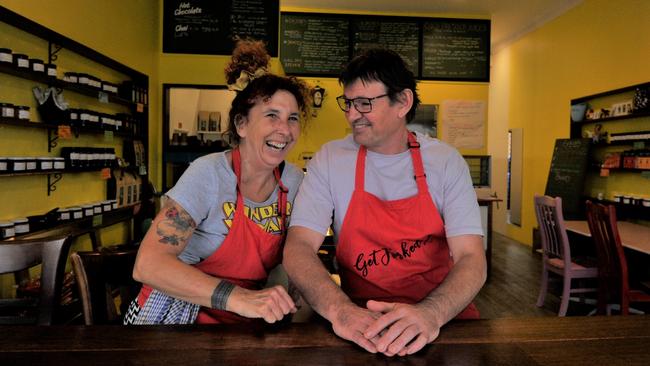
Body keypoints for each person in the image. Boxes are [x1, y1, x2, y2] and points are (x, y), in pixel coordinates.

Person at [283, 49, 486, 356]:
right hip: (361, 324)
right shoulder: (330, 159)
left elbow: (472, 257)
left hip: (441, 322)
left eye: (365, 103)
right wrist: (340, 311)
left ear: (402, 102)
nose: (352, 114)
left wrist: (431, 313)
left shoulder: (445, 162)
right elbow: (298, 248)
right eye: (348, 103)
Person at [125, 73, 310, 324]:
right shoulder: (208, 173)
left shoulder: (294, 181)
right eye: (272, 115)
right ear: (241, 125)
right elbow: (147, 265)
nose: (285, 129)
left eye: (293, 119)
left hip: (245, 319)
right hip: (174, 312)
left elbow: (296, 257)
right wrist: (239, 298)